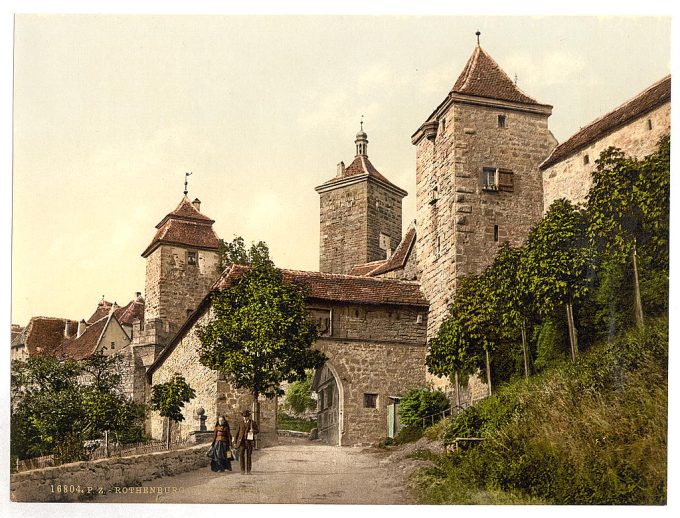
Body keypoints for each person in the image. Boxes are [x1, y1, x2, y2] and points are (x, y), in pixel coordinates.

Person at [234, 409, 259, 475]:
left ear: (249, 416)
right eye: (244, 416)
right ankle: (242, 470)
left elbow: (257, 430)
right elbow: (237, 433)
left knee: (249, 456)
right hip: (241, 442)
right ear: (242, 416)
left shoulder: (252, 423)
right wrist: (235, 442)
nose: (245, 417)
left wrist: (253, 431)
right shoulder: (240, 423)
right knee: (241, 455)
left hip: (249, 441)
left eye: (246, 416)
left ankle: (248, 470)